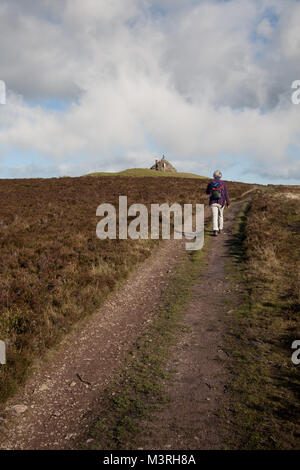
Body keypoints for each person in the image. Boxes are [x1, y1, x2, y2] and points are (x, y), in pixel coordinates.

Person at [206, 170, 230, 236]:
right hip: (221, 202)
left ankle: (215, 230)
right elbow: (226, 194)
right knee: (220, 215)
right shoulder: (223, 183)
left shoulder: (210, 183)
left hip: (213, 202)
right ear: (220, 176)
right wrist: (228, 202)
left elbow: (207, 192)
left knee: (214, 216)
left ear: (214, 175)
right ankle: (220, 228)